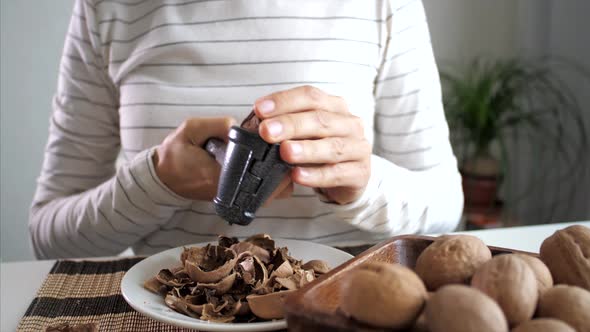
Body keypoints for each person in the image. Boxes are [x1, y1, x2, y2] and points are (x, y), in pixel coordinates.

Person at [29, 0, 463, 259]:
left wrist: (364, 185)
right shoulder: (108, 9)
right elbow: (49, 236)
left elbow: (446, 205)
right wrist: (158, 181)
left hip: (336, 306)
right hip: (169, 309)